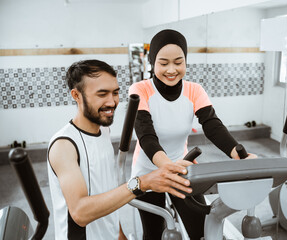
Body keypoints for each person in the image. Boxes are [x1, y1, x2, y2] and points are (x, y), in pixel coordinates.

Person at [129, 29, 257, 240]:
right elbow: (146, 135)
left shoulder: (194, 90)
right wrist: (167, 165)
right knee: (153, 233)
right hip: (148, 172)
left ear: (186, 62)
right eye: (163, 63)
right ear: (152, 63)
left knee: (200, 228)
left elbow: (212, 125)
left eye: (178, 62)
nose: (172, 69)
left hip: (183, 168)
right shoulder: (140, 89)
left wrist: (240, 155)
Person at [47, 59, 193, 240]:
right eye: (102, 94)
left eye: (115, 93)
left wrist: (120, 234)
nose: (112, 102)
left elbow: (106, 194)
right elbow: (80, 213)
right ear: (76, 95)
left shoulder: (103, 132)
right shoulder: (65, 145)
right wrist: (142, 183)